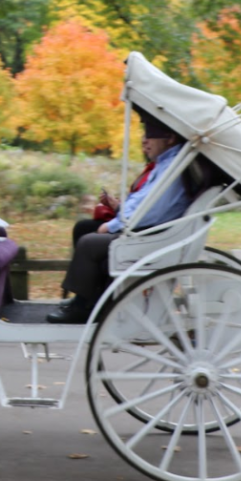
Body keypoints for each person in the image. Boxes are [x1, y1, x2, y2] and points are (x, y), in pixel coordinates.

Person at [46, 113, 191, 324]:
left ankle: (85, 307)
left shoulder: (173, 168)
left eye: (150, 135)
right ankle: (89, 297)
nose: (144, 140)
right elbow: (143, 204)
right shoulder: (165, 164)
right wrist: (119, 211)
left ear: (169, 138)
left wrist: (114, 225)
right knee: (84, 228)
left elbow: (153, 211)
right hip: (146, 228)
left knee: (89, 242)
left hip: (151, 234)